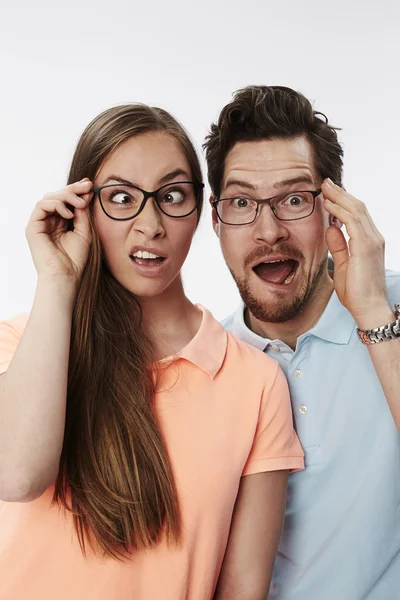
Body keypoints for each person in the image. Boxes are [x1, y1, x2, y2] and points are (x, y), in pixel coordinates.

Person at [0, 104, 304, 600]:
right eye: (121, 198)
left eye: (171, 196)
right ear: (82, 209)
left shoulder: (256, 383)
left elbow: (243, 589)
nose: (151, 224)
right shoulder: (22, 343)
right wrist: (57, 279)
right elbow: (15, 474)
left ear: (201, 210)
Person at [204, 85, 400, 600]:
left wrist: (376, 317)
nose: (269, 231)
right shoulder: (205, 363)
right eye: (242, 202)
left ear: (333, 208)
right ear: (215, 218)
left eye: (294, 199)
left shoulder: (391, 306)